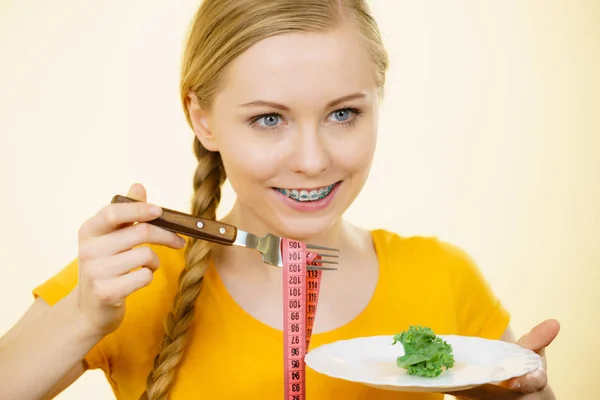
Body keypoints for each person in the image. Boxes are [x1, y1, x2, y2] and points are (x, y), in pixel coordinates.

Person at [0, 0, 560, 399]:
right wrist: (82, 318)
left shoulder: (442, 278)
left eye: (344, 113)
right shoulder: (132, 282)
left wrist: (511, 398)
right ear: (203, 118)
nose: (313, 160)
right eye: (269, 118)